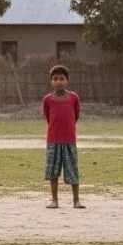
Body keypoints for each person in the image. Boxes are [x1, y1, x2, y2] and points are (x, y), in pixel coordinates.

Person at [42, 64, 84, 209]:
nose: (58, 82)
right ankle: (54, 200)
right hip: (53, 141)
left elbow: (76, 116)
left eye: (62, 79)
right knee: (53, 172)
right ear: (51, 81)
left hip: (69, 141)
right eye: (55, 79)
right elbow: (48, 118)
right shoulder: (48, 100)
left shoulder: (73, 98)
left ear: (67, 81)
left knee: (73, 170)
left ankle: (76, 201)